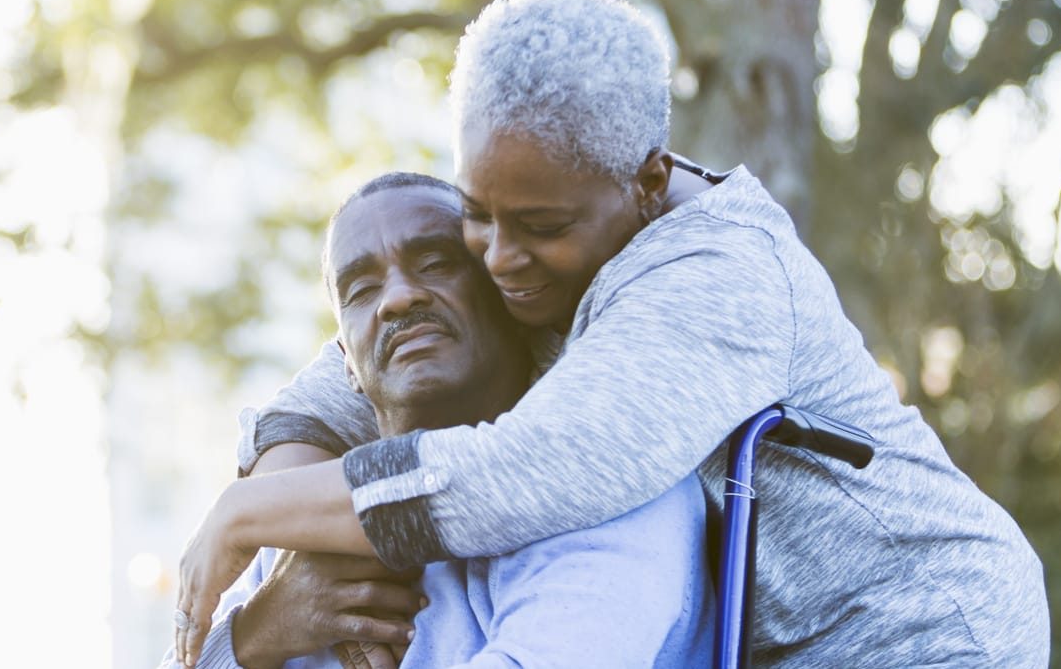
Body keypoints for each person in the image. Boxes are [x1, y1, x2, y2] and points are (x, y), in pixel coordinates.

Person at [174, 0, 1050, 668]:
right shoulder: (515, 242)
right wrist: (268, 592)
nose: (499, 258)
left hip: (918, 630)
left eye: (541, 228)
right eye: (475, 216)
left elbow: (519, 474)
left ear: (645, 182)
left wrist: (250, 516)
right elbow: (339, 380)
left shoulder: (715, 279)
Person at [169, 172, 716, 669]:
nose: (400, 297)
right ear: (347, 368)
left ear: (511, 298)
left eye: (435, 264)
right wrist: (255, 635)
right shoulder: (301, 525)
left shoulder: (607, 476)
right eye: (362, 290)